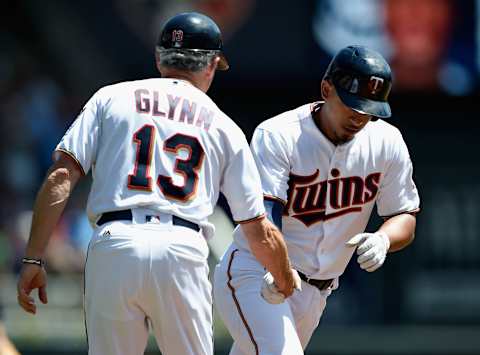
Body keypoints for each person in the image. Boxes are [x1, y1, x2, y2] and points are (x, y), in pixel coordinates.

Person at [16, 12, 298, 355]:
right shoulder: (224, 126)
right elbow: (258, 229)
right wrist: (284, 276)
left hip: (114, 242)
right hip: (180, 247)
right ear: (210, 66)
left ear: (158, 58)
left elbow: (62, 176)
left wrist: (33, 259)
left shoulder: (111, 98)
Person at [213, 45, 420, 354]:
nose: (359, 117)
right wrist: (279, 269)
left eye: (369, 112)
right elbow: (265, 218)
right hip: (257, 272)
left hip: (318, 292)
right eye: (352, 106)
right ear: (326, 88)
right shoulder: (280, 134)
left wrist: (383, 240)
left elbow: (405, 216)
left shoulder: (386, 142)